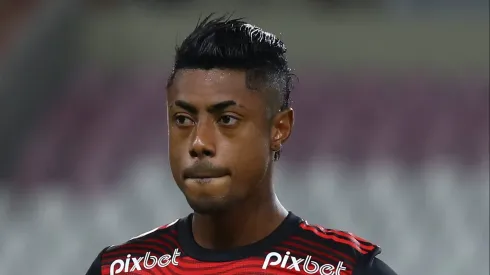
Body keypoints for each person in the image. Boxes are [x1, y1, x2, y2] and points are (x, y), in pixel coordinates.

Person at [85, 14, 398, 275]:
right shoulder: (117, 269)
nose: (198, 143)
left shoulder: (346, 269)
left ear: (279, 128)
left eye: (227, 120)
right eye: (183, 119)